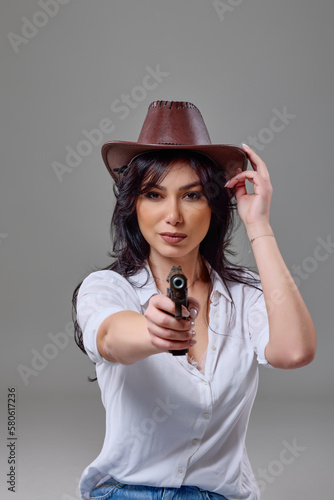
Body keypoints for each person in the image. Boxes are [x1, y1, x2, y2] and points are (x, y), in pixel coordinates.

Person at [72, 100, 316, 500]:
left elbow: (295, 351)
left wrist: (258, 224)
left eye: (191, 196)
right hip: (127, 492)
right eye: (153, 194)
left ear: (215, 206)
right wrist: (155, 330)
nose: (173, 216)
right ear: (133, 205)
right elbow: (111, 337)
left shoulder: (245, 295)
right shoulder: (106, 288)